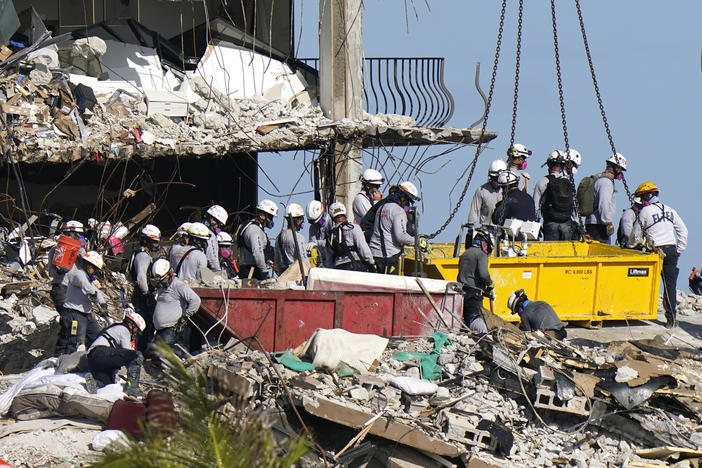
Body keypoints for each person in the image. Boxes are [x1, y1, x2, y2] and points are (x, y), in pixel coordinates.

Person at [627, 181, 688, 328]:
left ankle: (639, 311)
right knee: (669, 286)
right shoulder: (670, 210)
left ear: (647, 196)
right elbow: (683, 231)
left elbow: (635, 236)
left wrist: (629, 247)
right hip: (671, 250)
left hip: (654, 252)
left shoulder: (645, 212)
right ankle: (671, 319)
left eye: (642, 198)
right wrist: (679, 250)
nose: (641, 201)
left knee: (647, 283)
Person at [83, 306, 146, 398]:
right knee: (136, 355)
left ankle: (96, 383)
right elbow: (129, 354)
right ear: (131, 324)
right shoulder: (124, 330)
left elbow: (118, 357)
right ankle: (132, 388)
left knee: (108, 385)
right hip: (100, 353)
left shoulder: (115, 327)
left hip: (93, 359)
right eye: (136, 330)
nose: (135, 333)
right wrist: (134, 376)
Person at [48, 220, 85, 355]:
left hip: (74, 291)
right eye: (77, 235)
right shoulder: (56, 250)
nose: (79, 238)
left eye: (80, 236)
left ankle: (69, 353)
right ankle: (60, 354)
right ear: (69, 233)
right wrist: (59, 271)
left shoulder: (80, 252)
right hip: (61, 289)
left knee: (74, 322)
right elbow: (51, 272)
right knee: (68, 322)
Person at [61, 251, 109, 353]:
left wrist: (103, 303)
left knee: (98, 336)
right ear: (88, 265)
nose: (95, 271)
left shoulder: (88, 278)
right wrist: (92, 294)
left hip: (86, 314)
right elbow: (86, 287)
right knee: (76, 343)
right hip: (74, 313)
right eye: (94, 268)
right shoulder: (78, 274)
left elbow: (96, 291)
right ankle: (70, 364)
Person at [369, 181, 420, 275]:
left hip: (375, 254)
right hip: (389, 257)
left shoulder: (381, 208)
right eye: (407, 200)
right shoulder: (398, 211)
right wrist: (417, 242)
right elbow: (400, 236)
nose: (407, 204)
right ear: (402, 197)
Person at [149, 259, 201, 351]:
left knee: (166, 358)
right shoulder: (163, 287)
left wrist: (185, 317)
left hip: (170, 331)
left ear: (170, 273)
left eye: (163, 279)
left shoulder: (178, 285)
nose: (161, 283)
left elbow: (195, 300)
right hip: (160, 331)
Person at [457, 229, 495, 335]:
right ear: (484, 244)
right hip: (474, 293)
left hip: (462, 291)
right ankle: (484, 336)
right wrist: (490, 283)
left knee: (467, 317)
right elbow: (483, 274)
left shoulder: (465, 253)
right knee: (475, 318)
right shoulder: (480, 255)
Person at [584, 154, 627, 244]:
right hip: (599, 226)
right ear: (616, 168)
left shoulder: (598, 177)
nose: (620, 173)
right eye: (621, 170)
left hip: (593, 224)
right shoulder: (606, 182)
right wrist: (607, 223)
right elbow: (603, 204)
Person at [127, 225, 160, 339]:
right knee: (146, 324)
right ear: (145, 240)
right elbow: (141, 277)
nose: (156, 245)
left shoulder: (137, 253)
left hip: (139, 294)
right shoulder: (143, 256)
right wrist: (147, 295)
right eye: (153, 241)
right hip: (142, 296)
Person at [533, 151, 574, 240]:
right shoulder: (568, 183)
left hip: (550, 222)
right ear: (563, 166)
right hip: (566, 223)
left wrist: (535, 224)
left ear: (549, 165)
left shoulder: (542, 182)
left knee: (551, 252)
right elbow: (573, 204)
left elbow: (535, 206)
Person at [327, 201, 376, 272]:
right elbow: (363, 249)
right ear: (344, 213)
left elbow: (329, 259)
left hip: (338, 269)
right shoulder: (353, 228)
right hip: (355, 266)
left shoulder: (330, 235)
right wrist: (372, 263)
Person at [239, 199, 278, 280]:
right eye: (270, 217)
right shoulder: (254, 230)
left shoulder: (257, 228)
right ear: (262, 215)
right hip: (251, 272)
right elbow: (257, 253)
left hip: (253, 270)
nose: (271, 221)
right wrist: (264, 271)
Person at [467, 160, 506, 228]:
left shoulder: (508, 191)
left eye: (498, 178)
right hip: (486, 228)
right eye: (494, 178)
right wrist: (471, 225)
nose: (496, 181)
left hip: (503, 229)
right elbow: (474, 210)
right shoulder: (481, 190)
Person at [274, 203, 310, 273]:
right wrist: (310, 272)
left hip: (283, 275)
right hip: (296, 274)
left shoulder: (279, 237)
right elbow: (303, 259)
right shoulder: (299, 237)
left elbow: (277, 259)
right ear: (298, 220)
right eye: (301, 219)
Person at [203, 204, 228, 271]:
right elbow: (213, 259)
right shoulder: (210, 235)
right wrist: (218, 272)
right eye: (219, 225)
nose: (218, 228)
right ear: (212, 220)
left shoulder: (196, 230)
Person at [306, 200, 331, 267]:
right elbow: (312, 243)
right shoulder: (313, 227)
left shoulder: (330, 222)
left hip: (331, 259)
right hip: (321, 261)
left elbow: (331, 242)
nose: (315, 224)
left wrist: (317, 243)